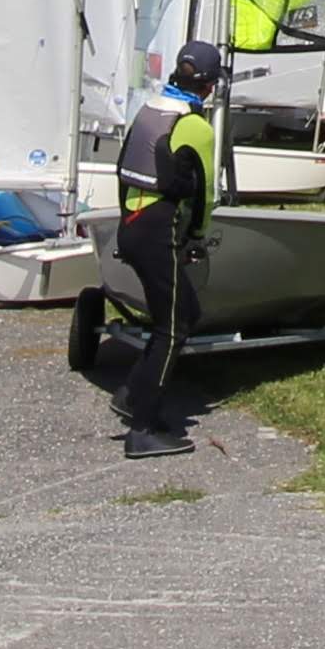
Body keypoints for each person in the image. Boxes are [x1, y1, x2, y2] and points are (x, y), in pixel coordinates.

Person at [111, 39, 228, 458]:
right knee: (174, 326)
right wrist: (197, 235)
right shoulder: (196, 127)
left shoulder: (148, 111)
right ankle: (142, 430)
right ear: (210, 86)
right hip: (157, 231)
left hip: (131, 225)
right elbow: (205, 194)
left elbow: (122, 170)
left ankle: (131, 394)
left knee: (183, 313)